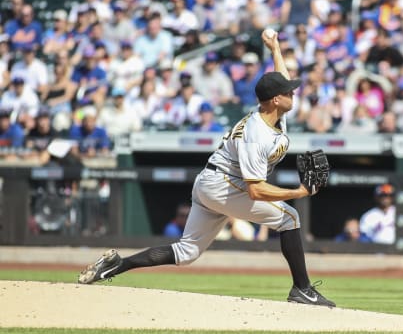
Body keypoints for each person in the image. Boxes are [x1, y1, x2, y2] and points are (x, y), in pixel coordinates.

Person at [78, 30, 336, 308]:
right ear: (276, 99)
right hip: (223, 185)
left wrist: (275, 48)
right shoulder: (256, 134)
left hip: (211, 183)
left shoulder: (273, 112)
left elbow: (279, 77)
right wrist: (297, 192)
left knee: (186, 252)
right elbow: (256, 189)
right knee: (290, 218)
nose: (293, 92)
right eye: (289, 92)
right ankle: (302, 289)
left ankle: (116, 265)